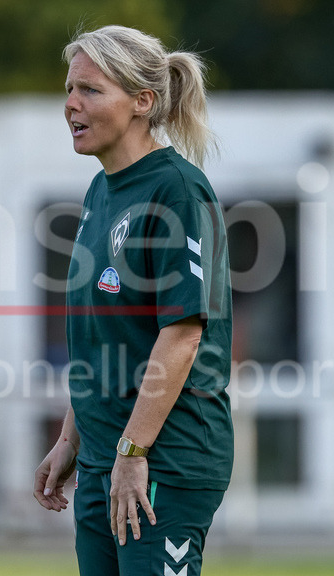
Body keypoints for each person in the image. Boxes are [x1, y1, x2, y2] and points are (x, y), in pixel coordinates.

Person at [33, 25, 233, 576]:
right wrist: (70, 439)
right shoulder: (101, 190)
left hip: (161, 461)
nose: (71, 104)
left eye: (90, 90)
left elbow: (183, 333)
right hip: (106, 459)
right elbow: (104, 338)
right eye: (69, 89)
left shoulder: (178, 190)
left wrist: (133, 454)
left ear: (142, 101)